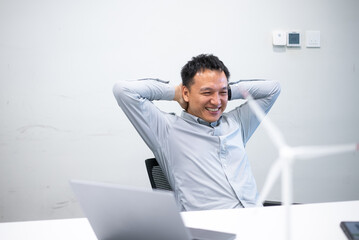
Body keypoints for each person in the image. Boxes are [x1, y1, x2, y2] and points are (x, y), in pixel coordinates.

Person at [113, 54, 281, 211]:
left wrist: (228, 91)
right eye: (207, 92)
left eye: (222, 92)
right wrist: (176, 93)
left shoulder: (237, 123)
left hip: (257, 221)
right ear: (186, 93)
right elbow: (123, 90)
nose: (216, 102)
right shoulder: (167, 130)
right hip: (210, 229)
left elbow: (273, 89)